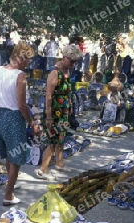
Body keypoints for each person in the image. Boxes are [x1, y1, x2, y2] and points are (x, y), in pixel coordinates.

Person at [0, 41, 39, 206]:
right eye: (28, 60)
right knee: (17, 156)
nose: (29, 63)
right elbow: (22, 105)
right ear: (21, 58)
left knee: (9, 153)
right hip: (13, 117)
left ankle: (11, 183)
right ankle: (8, 195)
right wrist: (31, 123)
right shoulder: (20, 76)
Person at [35, 44, 82, 180]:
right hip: (54, 112)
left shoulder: (67, 72)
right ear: (64, 58)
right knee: (53, 141)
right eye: (72, 61)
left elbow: (67, 92)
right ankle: (43, 169)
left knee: (61, 138)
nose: (74, 64)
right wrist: (49, 117)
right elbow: (48, 96)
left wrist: (70, 105)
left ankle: (60, 163)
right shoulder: (55, 73)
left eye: (75, 61)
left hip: (63, 111)